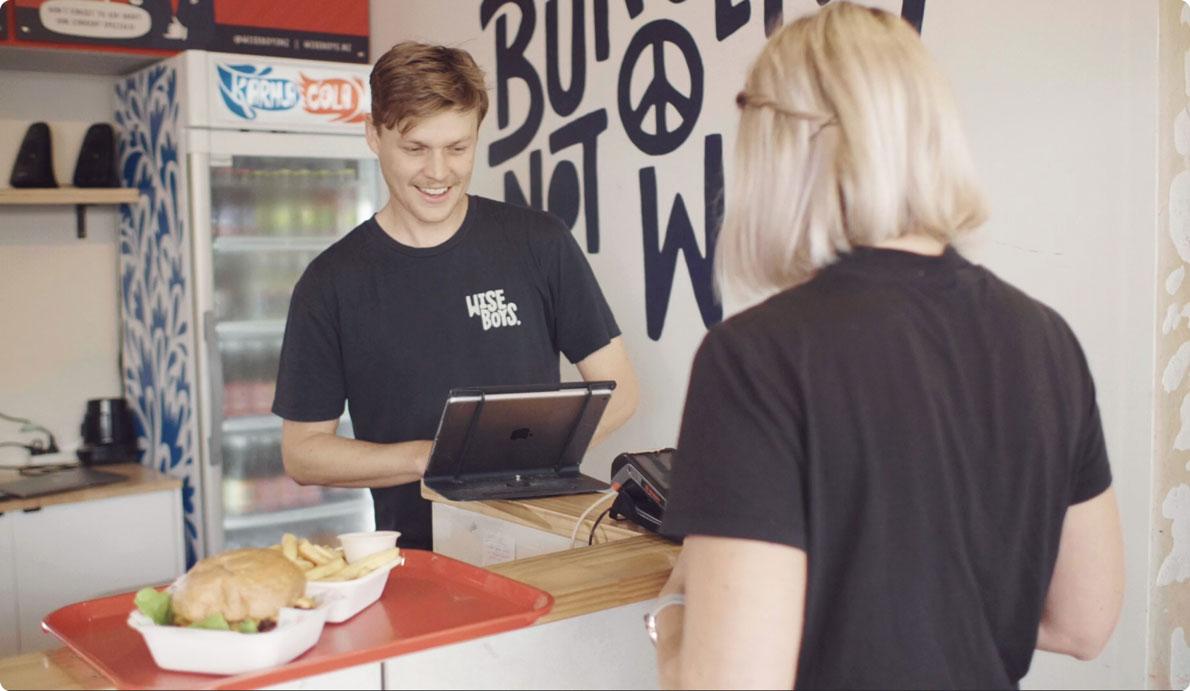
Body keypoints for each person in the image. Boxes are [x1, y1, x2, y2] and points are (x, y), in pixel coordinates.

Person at [653, 4, 1124, 689]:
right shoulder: (1047, 338)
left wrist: (672, 614)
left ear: (779, 143)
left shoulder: (757, 356)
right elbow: (1085, 623)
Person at [272, 42, 639, 551]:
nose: (439, 172)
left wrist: (531, 459)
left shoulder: (539, 242)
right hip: (419, 563)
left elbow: (620, 389)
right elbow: (303, 453)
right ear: (373, 135)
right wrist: (428, 457)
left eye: (458, 148)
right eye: (416, 148)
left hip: (547, 546)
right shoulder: (330, 282)